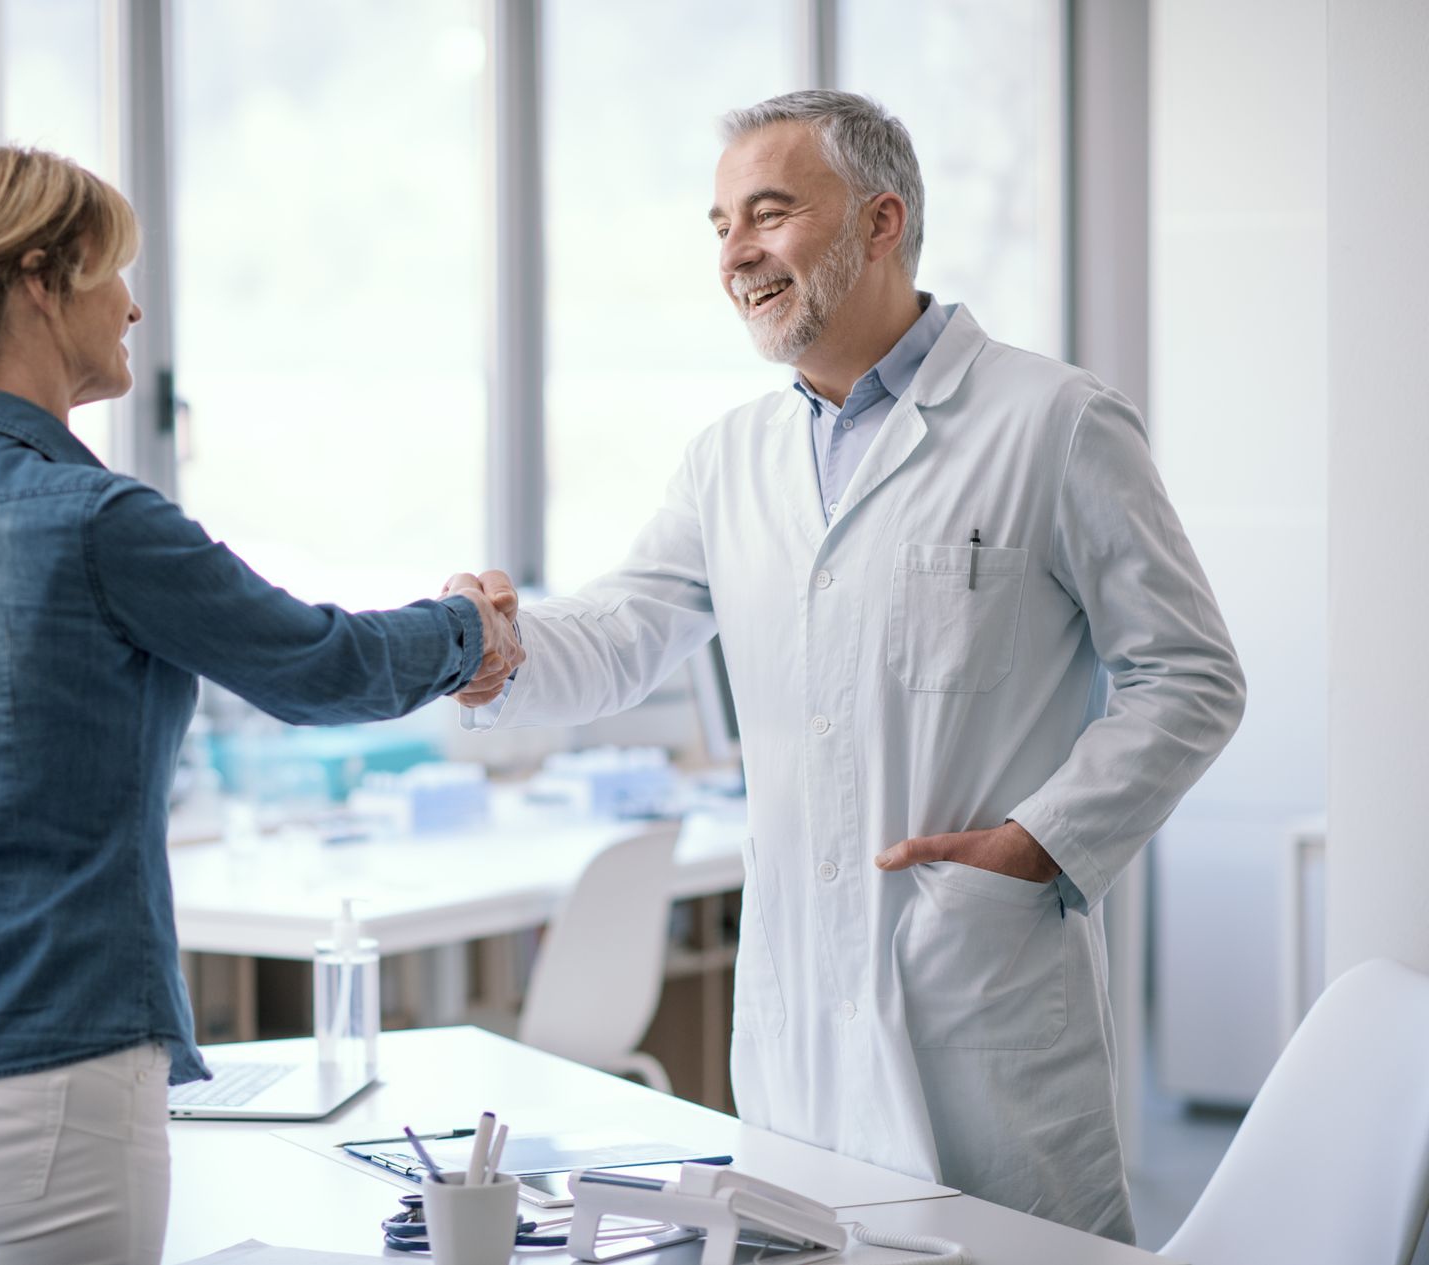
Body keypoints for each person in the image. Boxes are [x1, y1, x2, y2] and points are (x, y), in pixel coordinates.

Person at [455, 90, 1244, 1241]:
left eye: (768, 214)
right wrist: (489, 647)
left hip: (974, 981)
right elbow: (628, 628)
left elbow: (1189, 672)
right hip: (800, 1020)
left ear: (882, 222)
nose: (735, 254)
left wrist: (1035, 847)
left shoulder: (1054, 421)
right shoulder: (733, 457)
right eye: (720, 224)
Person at [0, 144, 524, 1264]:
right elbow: (318, 664)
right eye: (114, 271)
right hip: (41, 1069)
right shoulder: (96, 518)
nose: (134, 304)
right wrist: (467, 626)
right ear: (37, 280)